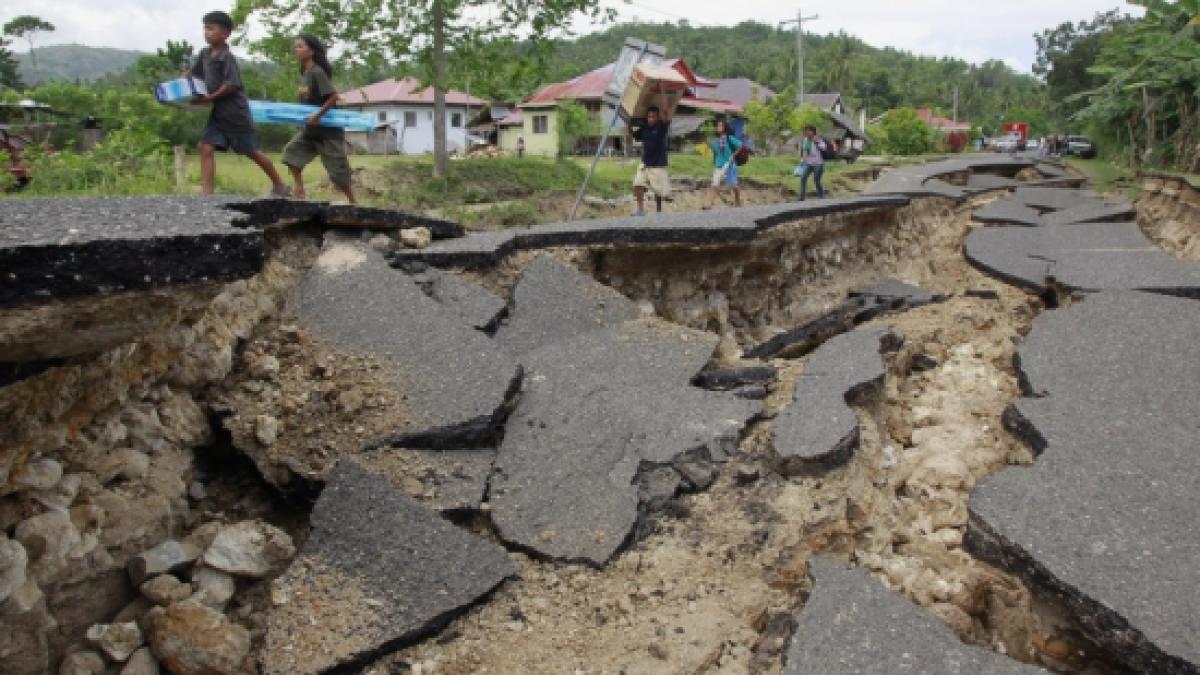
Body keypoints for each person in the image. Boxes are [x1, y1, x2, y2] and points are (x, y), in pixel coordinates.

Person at [187, 11, 289, 196]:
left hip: (235, 113)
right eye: (205, 28)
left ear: (225, 33)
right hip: (218, 114)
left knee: (250, 151)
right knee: (205, 147)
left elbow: (231, 85)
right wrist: (179, 86)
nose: (206, 32)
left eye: (211, 28)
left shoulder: (226, 57)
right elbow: (193, 74)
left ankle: (280, 184)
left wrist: (209, 98)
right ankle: (207, 194)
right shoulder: (205, 54)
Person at [281, 34, 356, 203]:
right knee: (290, 154)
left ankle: (353, 202)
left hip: (328, 132)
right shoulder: (305, 72)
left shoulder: (317, 72)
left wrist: (317, 115)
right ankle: (300, 190)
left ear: (312, 51)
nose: (296, 50)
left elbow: (333, 97)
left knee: (338, 172)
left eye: (300, 46)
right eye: (296, 46)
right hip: (310, 130)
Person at [630, 95, 672, 216]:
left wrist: (663, 90)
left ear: (657, 117)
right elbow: (634, 135)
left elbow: (665, 111)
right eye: (649, 116)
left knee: (657, 190)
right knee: (637, 183)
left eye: (653, 116)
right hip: (645, 163)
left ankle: (658, 211)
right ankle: (640, 209)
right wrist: (627, 123)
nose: (651, 119)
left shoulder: (661, 127)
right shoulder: (644, 128)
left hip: (658, 163)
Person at [703, 118, 743, 209]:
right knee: (714, 184)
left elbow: (740, 146)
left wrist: (733, 155)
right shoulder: (715, 140)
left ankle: (737, 199)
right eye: (718, 125)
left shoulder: (729, 138)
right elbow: (715, 150)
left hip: (729, 164)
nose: (718, 127)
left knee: (733, 184)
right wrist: (707, 143)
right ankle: (709, 204)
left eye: (720, 125)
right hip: (719, 165)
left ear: (725, 127)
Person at [796, 125, 827, 201]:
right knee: (803, 177)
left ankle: (821, 196)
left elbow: (824, 147)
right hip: (808, 163)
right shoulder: (806, 140)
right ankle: (801, 197)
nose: (806, 133)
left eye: (808, 131)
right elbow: (805, 151)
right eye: (805, 131)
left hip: (818, 164)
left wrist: (817, 142)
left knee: (816, 180)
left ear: (813, 132)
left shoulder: (817, 139)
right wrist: (802, 160)